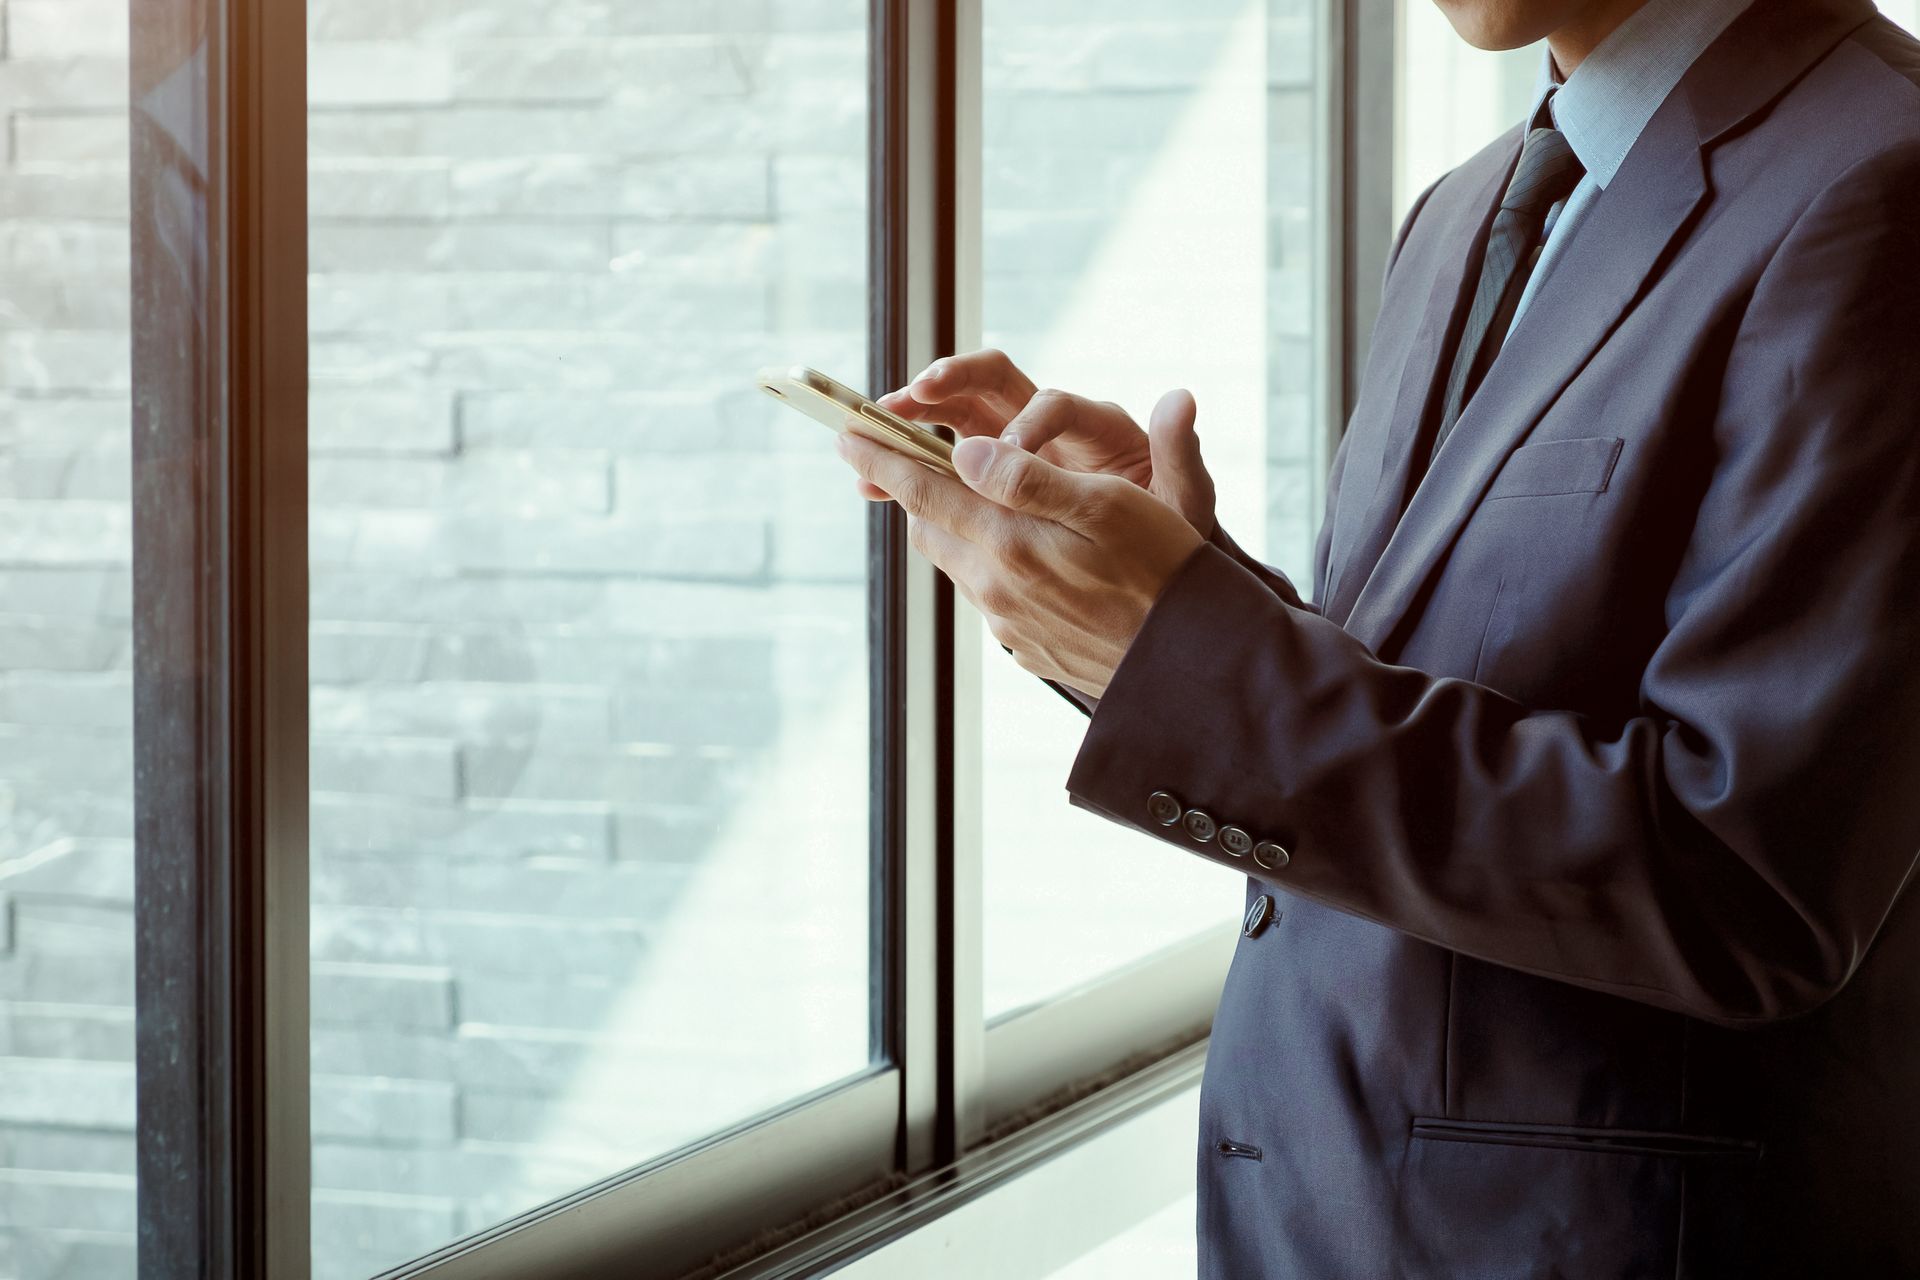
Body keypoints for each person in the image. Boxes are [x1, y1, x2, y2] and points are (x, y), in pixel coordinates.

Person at [833, 0, 1920, 1273]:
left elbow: (1746, 875)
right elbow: (1434, 701)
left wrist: (1184, 659)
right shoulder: (1461, 212)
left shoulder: (1884, 178)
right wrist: (1185, 594)